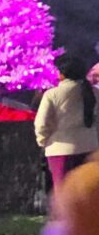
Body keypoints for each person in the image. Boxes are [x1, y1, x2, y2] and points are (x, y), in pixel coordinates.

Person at [35, 54, 98, 190]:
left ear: (62, 73)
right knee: (88, 193)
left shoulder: (52, 94)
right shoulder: (94, 92)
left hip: (61, 149)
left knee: (64, 194)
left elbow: (41, 123)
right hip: (90, 147)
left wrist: (43, 141)